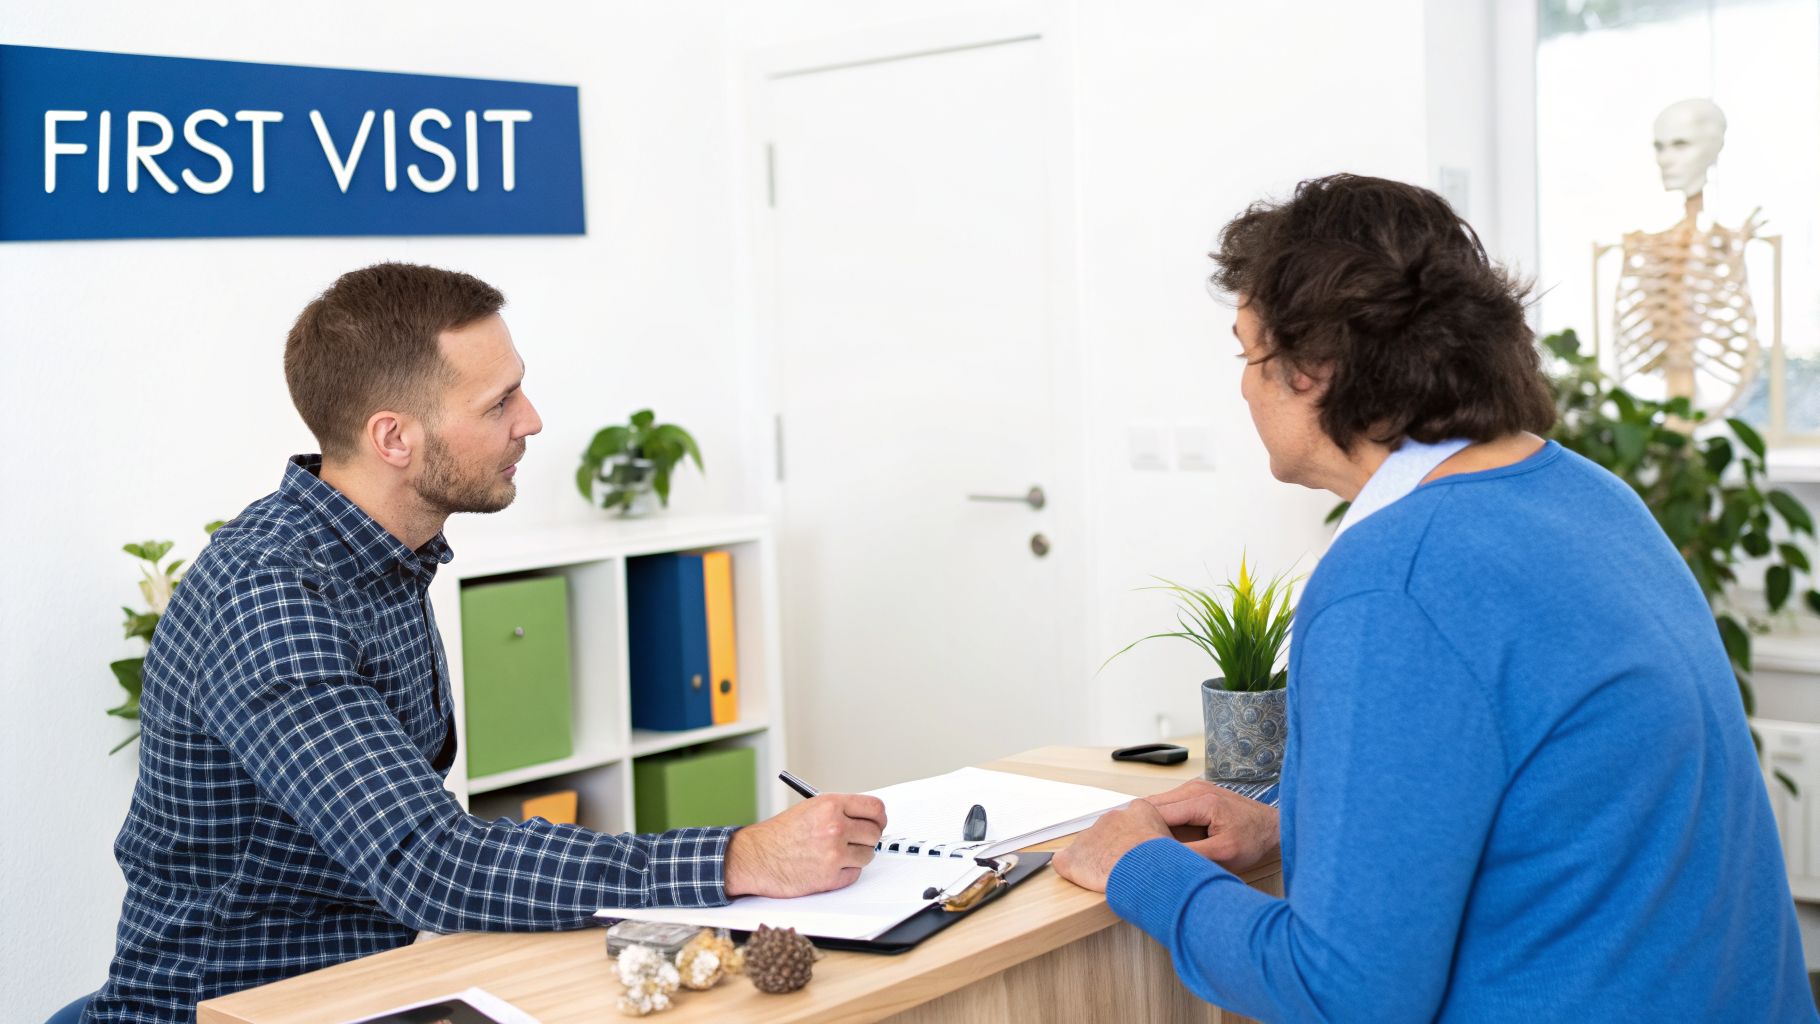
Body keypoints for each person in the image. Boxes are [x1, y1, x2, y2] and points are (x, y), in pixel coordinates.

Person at [1053, 175, 1812, 1021]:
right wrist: (1297, 827)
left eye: (1247, 353)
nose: (1241, 387)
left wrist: (1142, 868)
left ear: (1313, 367)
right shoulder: (1591, 497)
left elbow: (1341, 996)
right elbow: (1553, 811)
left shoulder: (1395, 580)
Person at [88, 263, 887, 1022]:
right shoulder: (270, 597)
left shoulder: (383, 558)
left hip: (367, 984)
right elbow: (427, 861)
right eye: (498, 402)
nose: (530, 420)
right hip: (230, 1009)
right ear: (393, 438)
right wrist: (738, 859)